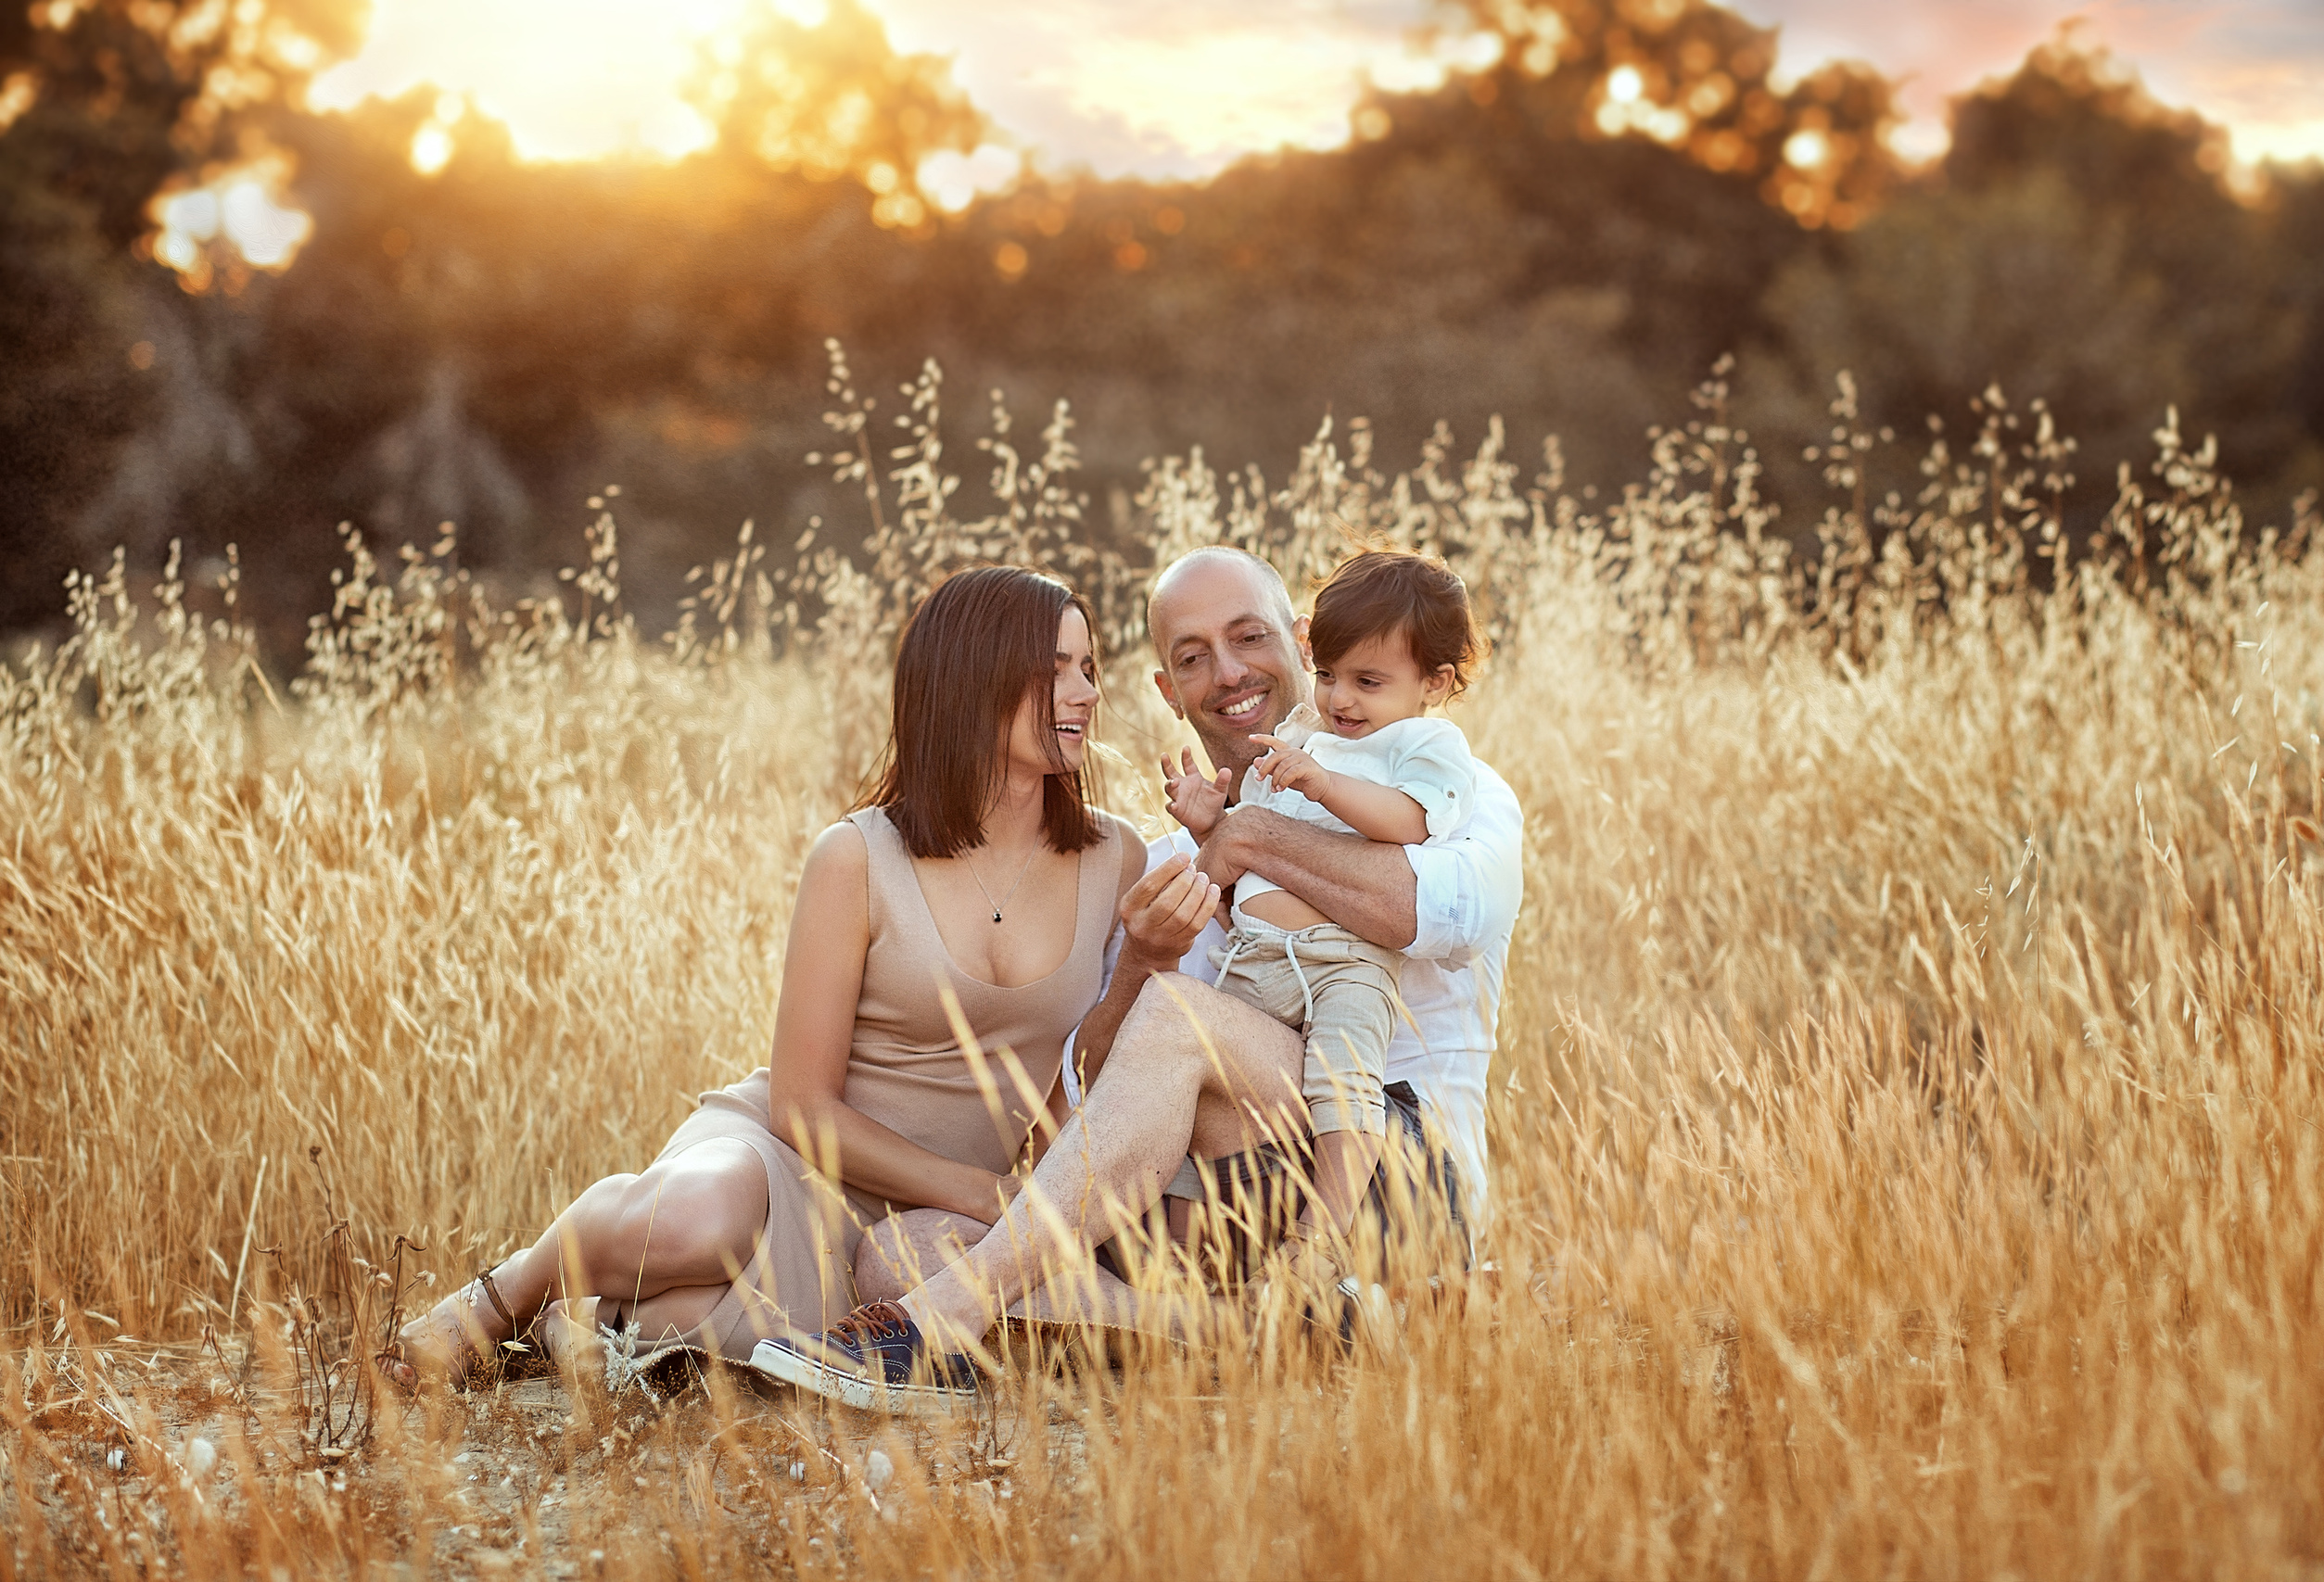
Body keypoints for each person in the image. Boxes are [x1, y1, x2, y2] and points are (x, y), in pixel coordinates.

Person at [751, 544, 1524, 1411]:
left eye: (1249, 637)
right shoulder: (1160, 863)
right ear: (1168, 688)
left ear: (1297, 645)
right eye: (1192, 656)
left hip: (1392, 1183)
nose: (1228, 671)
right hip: (1217, 1219)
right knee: (901, 1253)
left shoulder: (1445, 785)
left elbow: (1445, 913)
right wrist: (1146, 959)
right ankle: (1262, 1331)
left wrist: (1249, 839)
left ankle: (937, 1323)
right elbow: (1090, 1097)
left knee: (1181, 1018)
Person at [379, 564, 1181, 1389]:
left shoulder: (1114, 856)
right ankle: (504, 1291)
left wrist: (1016, 1185)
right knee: (700, 1221)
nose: (1083, 692)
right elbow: (801, 1104)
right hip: (790, 1160)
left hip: (934, 1221)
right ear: (974, 677)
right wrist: (983, 1189)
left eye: (1089, 668)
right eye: (1054, 669)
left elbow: (1089, 1068)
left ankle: (575, 1322)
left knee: (685, 1330)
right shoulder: (857, 856)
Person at [1162, 550, 1485, 1272]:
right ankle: (1180, 1258)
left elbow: (1409, 823)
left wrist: (1322, 783)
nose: (1342, 698)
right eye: (1331, 675)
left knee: (1344, 1083)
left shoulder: (1424, 745)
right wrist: (1208, 828)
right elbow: (1244, 871)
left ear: (1433, 683)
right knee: (1194, 1081)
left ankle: (1321, 1237)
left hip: (1344, 966)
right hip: (1259, 955)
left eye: (1368, 681)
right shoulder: (1313, 735)